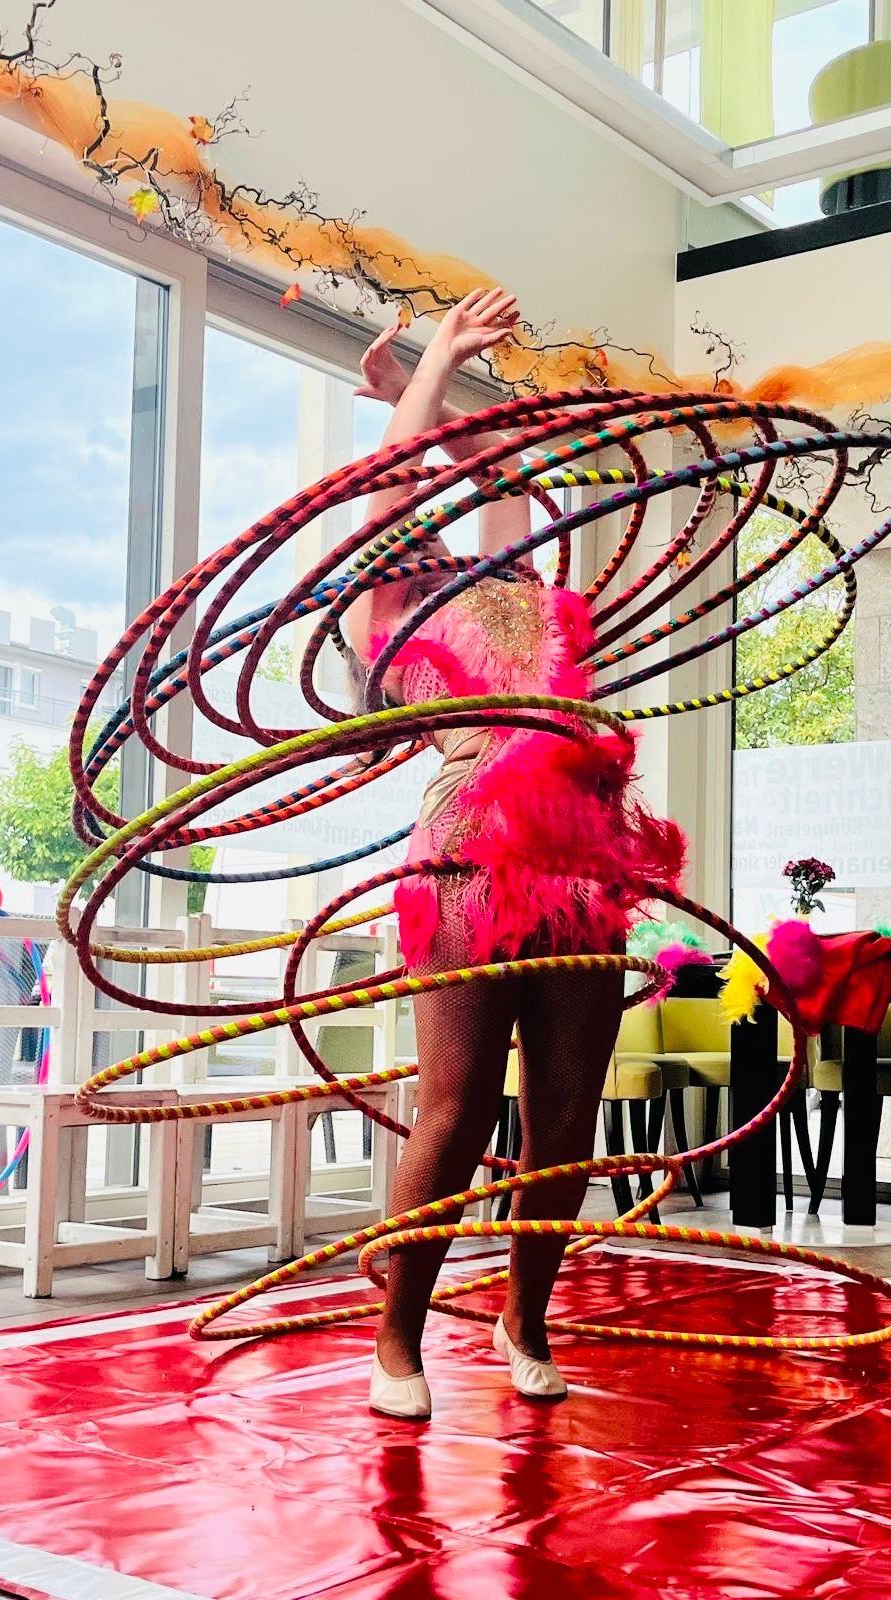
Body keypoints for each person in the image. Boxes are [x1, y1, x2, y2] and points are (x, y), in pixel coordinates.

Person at [343, 288, 684, 1420]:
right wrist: (435, 362)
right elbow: (393, 486)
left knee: (567, 1117)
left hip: (582, 851)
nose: (430, 523)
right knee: (458, 1108)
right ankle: (398, 1339)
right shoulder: (386, 607)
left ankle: (524, 1318)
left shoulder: (521, 588)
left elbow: (505, 484)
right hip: (468, 850)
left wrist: (431, 402)